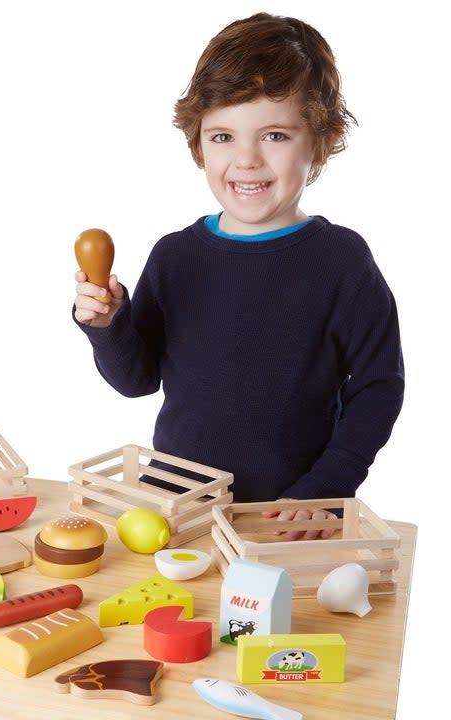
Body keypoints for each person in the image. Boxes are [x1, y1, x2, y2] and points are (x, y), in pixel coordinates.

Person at [72, 12, 404, 541]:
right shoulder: (175, 256)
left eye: (274, 134)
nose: (246, 159)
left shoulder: (342, 262)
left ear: (319, 143)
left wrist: (325, 488)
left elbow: (378, 388)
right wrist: (109, 323)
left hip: (289, 516)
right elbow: (136, 381)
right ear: (199, 144)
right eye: (223, 136)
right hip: (177, 509)